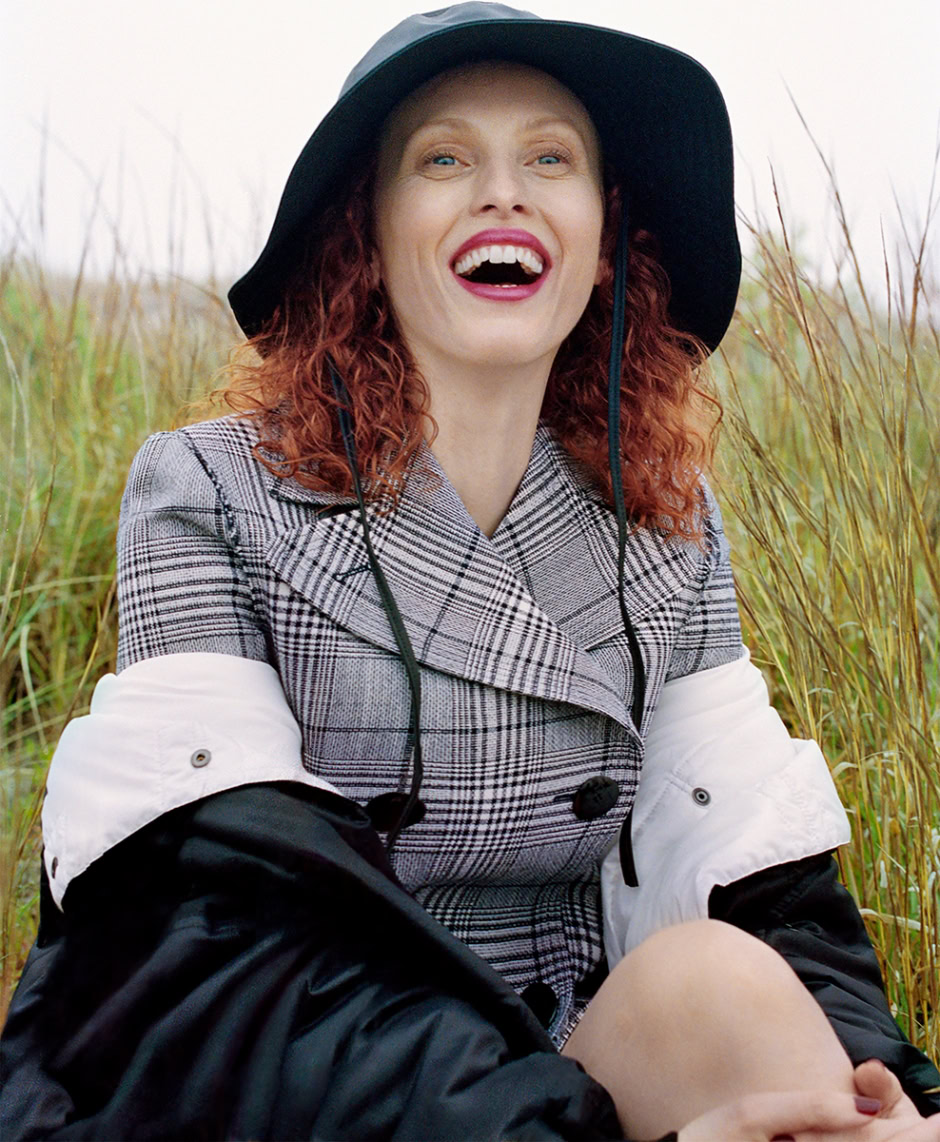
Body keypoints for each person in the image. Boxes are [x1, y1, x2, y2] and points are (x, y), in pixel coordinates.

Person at [2, 4, 938, 1140]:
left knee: (754, 1012)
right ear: (369, 233)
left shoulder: (669, 524)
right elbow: (218, 941)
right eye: (444, 157)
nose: (504, 191)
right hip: (315, 1077)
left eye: (551, 156)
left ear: (601, 245)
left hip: (589, 1046)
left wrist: (884, 1089)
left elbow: (765, 887)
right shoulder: (206, 491)